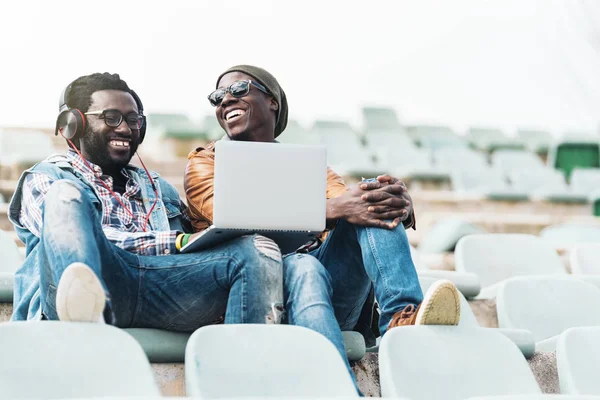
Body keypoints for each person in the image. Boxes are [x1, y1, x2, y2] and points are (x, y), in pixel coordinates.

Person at [184, 66, 462, 360]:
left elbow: (351, 203)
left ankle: (402, 318)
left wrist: (393, 202)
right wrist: (332, 209)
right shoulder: (205, 163)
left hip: (328, 290)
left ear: (272, 101)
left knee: (368, 192)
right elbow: (230, 212)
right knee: (304, 266)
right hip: (250, 296)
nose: (225, 100)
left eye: (238, 89)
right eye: (217, 97)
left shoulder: (309, 167)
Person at [9, 72, 286, 329]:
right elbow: (78, 239)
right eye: (111, 117)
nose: (126, 129)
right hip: (94, 281)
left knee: (255, 250)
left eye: (133, 120)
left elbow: (197, 253)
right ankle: (88, 322)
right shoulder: (47, 178)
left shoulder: (160, 189)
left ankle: (246, 368)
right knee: (65, 194)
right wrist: (176, 242)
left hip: (161, 286)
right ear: (74, 125)